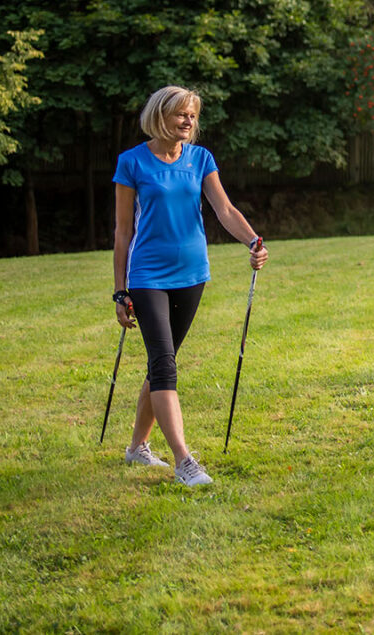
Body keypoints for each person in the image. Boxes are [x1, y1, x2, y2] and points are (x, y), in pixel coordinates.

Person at [111, 85, 268, 486]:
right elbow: (123, 232)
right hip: (147, 276)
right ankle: (184, 461)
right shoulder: (131, 162)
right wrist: (120, 290)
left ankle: (136, 449)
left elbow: (224, 209)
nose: (188, 121)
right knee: (164, 364)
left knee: (161, 362)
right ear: (159, 115)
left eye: (193, 116)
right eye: (181, 114)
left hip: (193, 275)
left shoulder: (200, 159)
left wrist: (252, 240)